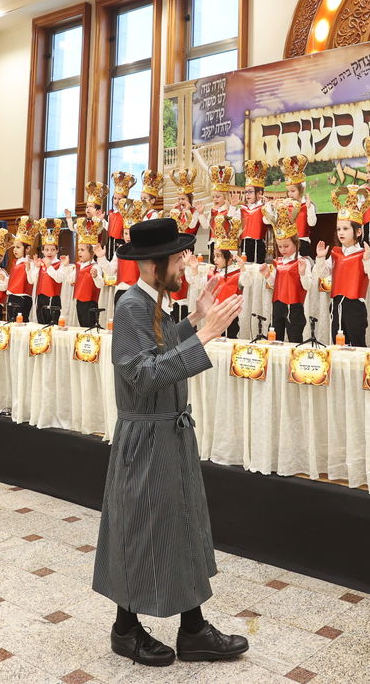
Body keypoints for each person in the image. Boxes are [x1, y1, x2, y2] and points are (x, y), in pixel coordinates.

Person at [93, 217, 247, 667]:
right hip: (146, 436)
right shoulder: (130, 307)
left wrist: (196, 318)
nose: (185, 264)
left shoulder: (151, 302)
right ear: (154, 263)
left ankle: (193, 628)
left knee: (179, 525)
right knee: (142, 528)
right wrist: (204, 334)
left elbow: (159, 353)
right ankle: (125, 629)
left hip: (169, 433)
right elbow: (143, 375)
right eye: (179, 257)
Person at [316, 186, 370, 346]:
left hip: (355, 307)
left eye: (345, 229)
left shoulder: (364, 253)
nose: (341, 233)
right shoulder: (336, 253)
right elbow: (322, 274)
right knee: (338, 345)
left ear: (358, 232)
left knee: (357, 346)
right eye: (338, 229)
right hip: (336, 304)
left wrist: (367, 259)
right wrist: (321, 258)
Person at [261, 201, 311, 343]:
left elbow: (307, 286)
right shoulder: (279, 262)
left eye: (286, 246)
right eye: (280, 246)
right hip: (278, 305)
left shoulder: (302, 261)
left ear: (296, 243)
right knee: (275, 339)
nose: (282, 249)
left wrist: (302, 273)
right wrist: (267, 275)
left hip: (294, 307)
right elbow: (274, 284)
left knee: (295, 339)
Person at [267, 156, 316, 252]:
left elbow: (312, 223)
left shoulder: (307, 205)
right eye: (288, 191)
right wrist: (271, 208)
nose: (290, 194)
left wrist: (309, 208)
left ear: (301, 190)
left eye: (293, 191)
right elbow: (267, 221)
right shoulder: (284, 207)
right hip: (287, 244)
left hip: (302, 243)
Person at [207, 216, 244, 339]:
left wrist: (243, 268)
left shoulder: (237, 274)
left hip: (231, 316)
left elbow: (247, 282)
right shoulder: (213, 273)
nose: (214, 259)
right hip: (214, 316)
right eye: (214, 256)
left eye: (218, 256)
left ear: (229, 257)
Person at [27, 218, 69, 325]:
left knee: (52, 325)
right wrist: (36, 267)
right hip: (40, 298)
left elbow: (59, 279)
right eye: (46, 250)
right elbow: (32, 281)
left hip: (53, 299)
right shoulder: (39, 263)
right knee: (41, 324)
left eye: (52, 250)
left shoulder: (60, 264)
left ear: (57, 250)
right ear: (42, 250)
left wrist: (49, 266)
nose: (49, 252)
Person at [69, 221, 105, 327]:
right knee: (82, 326)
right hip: (79, 302)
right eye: (78, 250)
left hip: (90, 303)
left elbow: (100, 284)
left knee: (90, 327)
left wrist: (95, 276)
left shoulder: (95, 266)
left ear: (92, 253)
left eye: (82, 250)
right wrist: (68, 269)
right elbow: (70, 280)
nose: (79, 252)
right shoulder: (78, 266)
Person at [201, 166, 239, 263]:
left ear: (225, 197)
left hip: (225, 244)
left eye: (218, 197)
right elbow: (206, 226)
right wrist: (201, 213)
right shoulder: (212, 210)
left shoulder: (230, 210)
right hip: (213, 243)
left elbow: (231, 220)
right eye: (213, 197)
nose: (215, 199)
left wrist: (231, 207)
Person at [5, 217, 37, 322]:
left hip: (22, 298)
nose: (15, 250)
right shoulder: (15, 263)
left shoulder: (30, 264)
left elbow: (31, 280)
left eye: (18, 247)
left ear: (27, 249)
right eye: (14, 247)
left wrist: (28, 269)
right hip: (11, 297)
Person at [238, 161, 269, 263]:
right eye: (246, 192)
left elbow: (268, 222)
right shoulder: (242, 208)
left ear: (259, 193)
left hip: (258, 244)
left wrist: (268, 207)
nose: (247, 195)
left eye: (250, 192)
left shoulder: (263, 207)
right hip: (244, 243)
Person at [106, 172, 135, 260]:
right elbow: (108, 228)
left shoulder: (126, 213)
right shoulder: (111, 213)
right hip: (110, 241)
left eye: (120, 199)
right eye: (115, 198)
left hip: (121, 241)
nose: (116, 201)